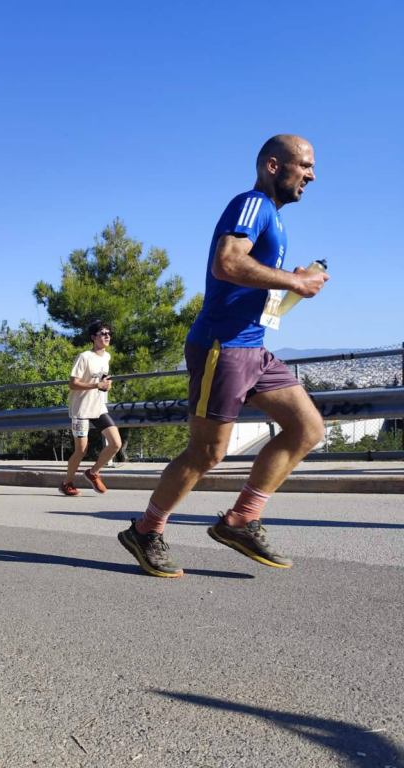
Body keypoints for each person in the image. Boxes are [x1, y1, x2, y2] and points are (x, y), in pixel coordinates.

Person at [118, 135, 328, 578]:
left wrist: (286, 279)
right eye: (304, 165)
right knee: (206, 453)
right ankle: (146, 529)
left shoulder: (273, 216)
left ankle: (241, 520)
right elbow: (227, 263)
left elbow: (245, 273)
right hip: (223, 346)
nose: (311, 174)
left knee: (307, 428)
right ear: (274, 165)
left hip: (253, 347)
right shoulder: (251, 203)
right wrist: (294, 284)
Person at [59, 321, 122, 496]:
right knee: (81, 450)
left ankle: (92, 472)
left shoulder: (107, 357)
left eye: (109, 333)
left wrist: (106, 385)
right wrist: (97, 385)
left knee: (116, 444)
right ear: (93, 337)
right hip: (81, 410)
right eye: (103, 333)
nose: (107, 336)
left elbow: (103, 380)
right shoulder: (84, 357)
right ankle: (67, 483)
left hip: (99, 408)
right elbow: (73, 384)